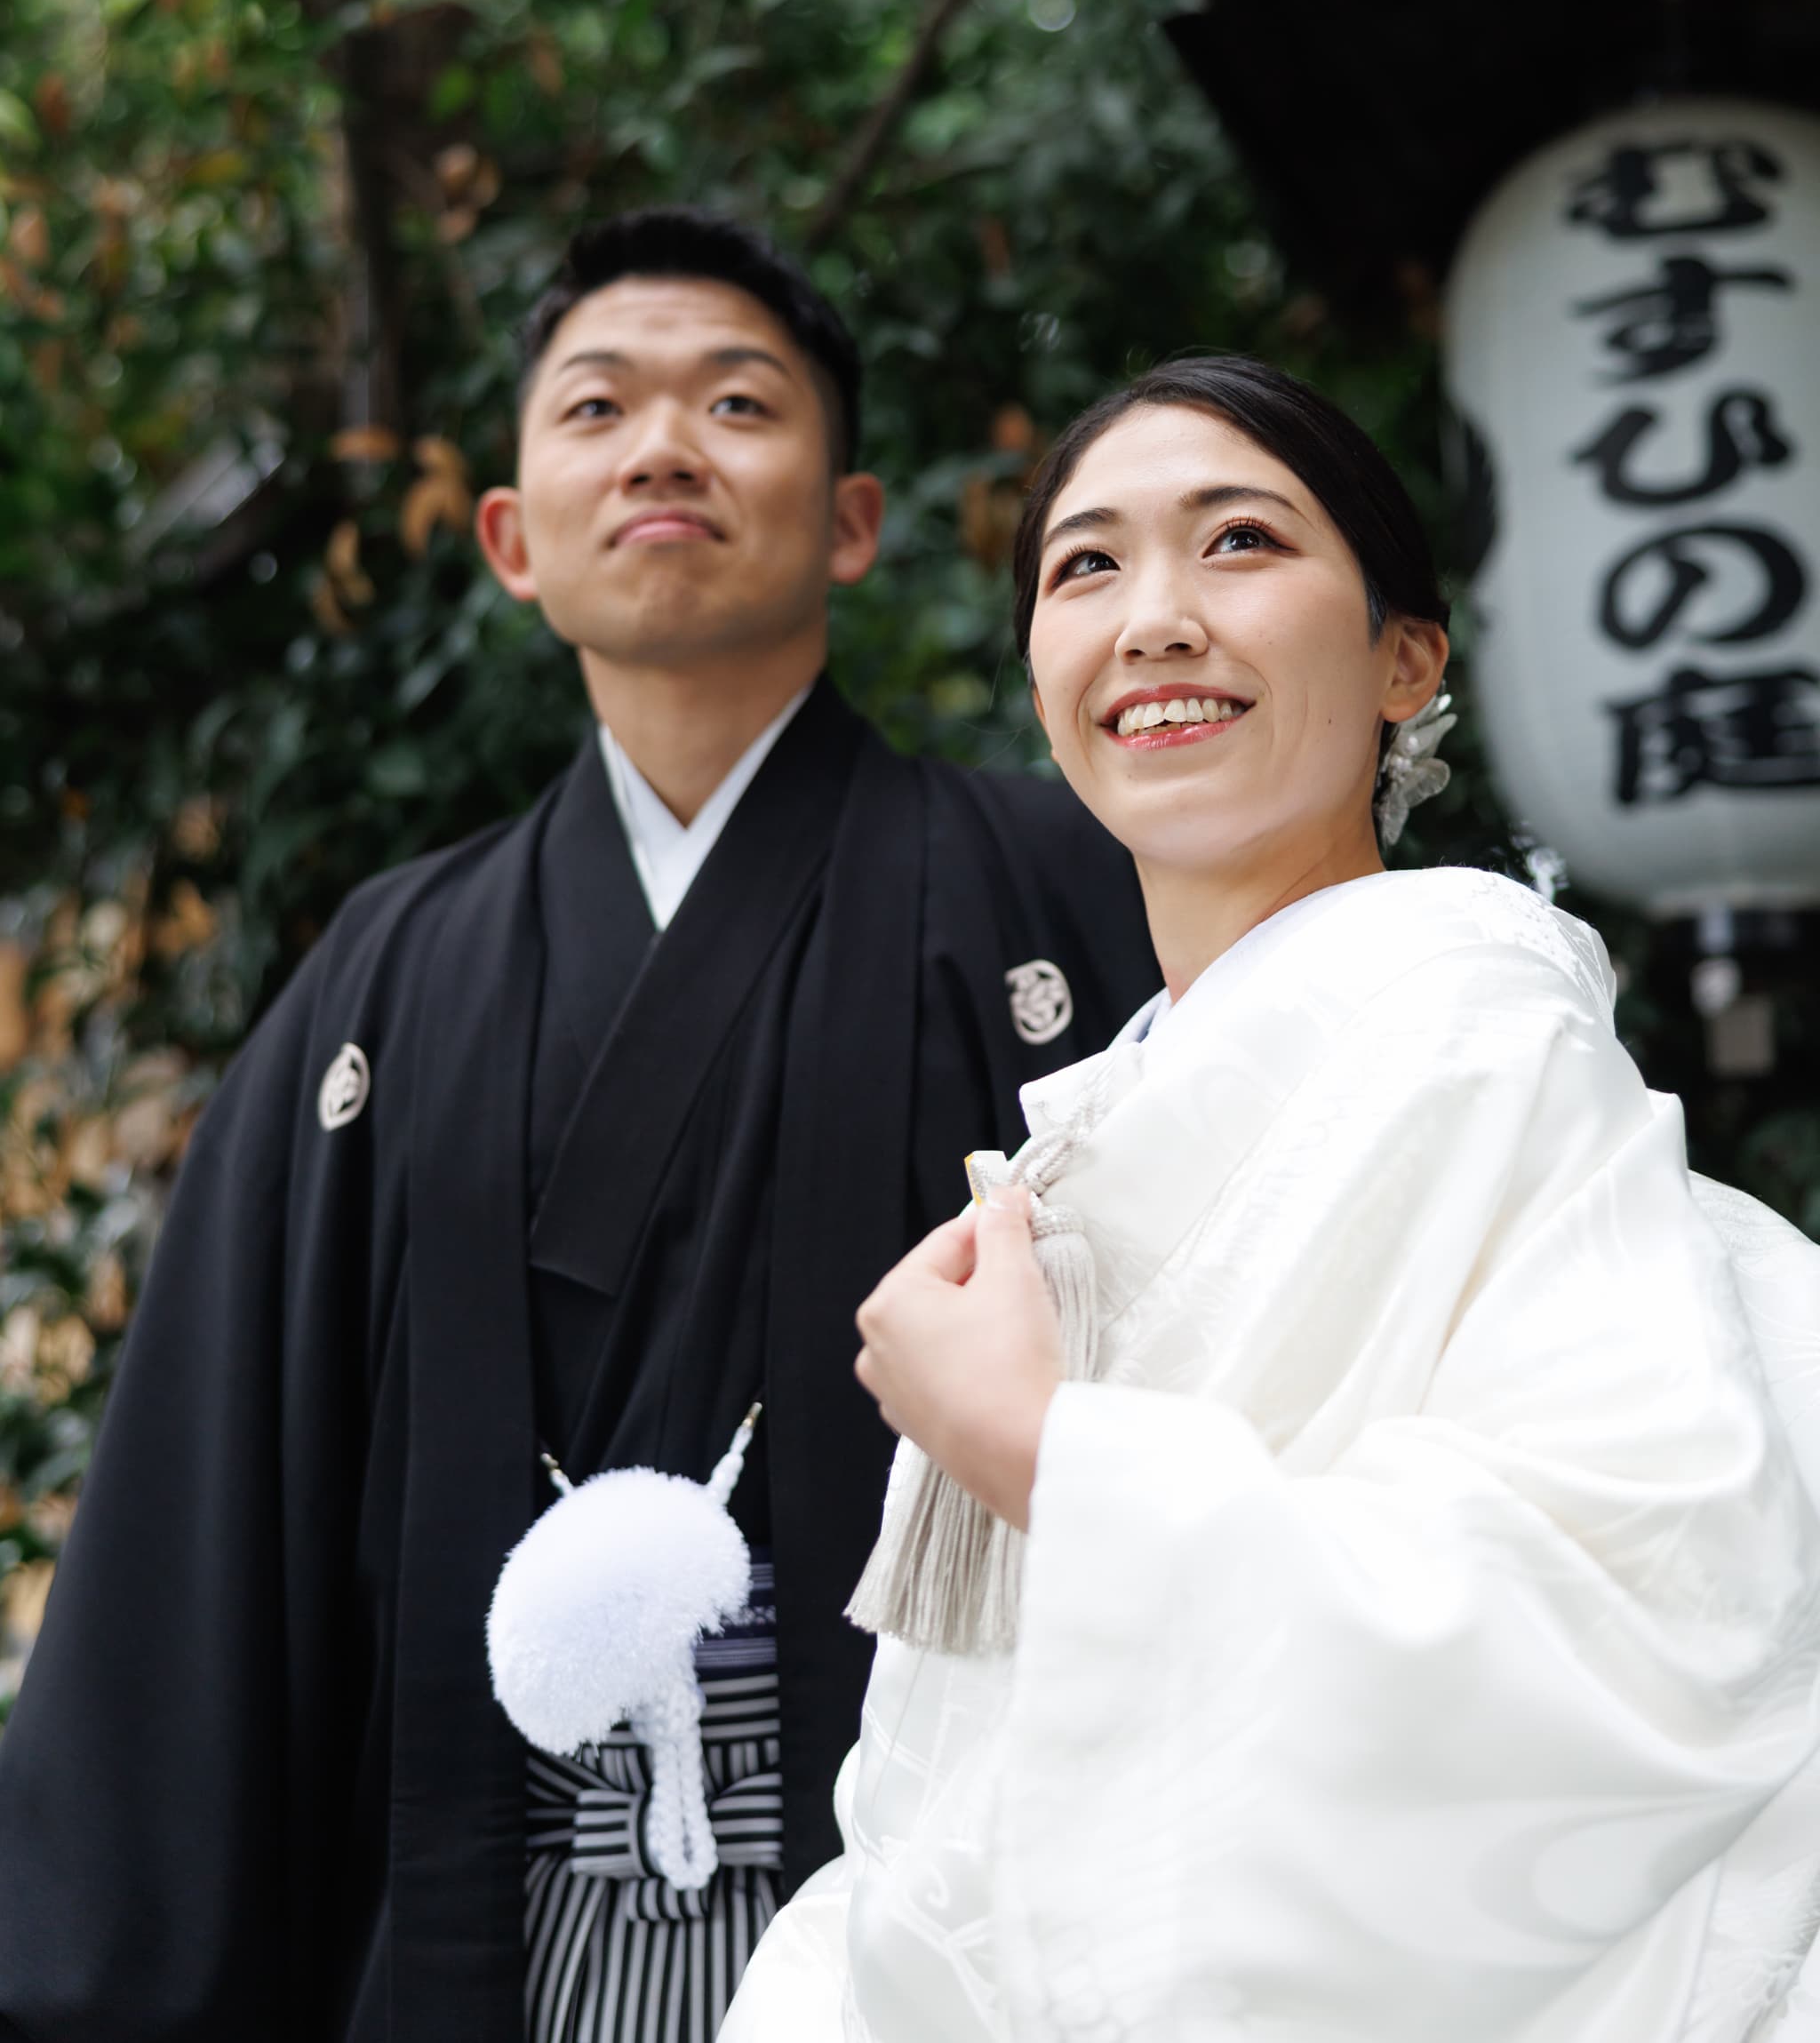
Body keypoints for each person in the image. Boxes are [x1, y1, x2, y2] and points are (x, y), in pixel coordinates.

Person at [0, 211, 1159, 2043]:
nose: (664, 446)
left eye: (739, 403)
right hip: (485, 1936)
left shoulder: (1055, 892)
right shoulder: (388, 973)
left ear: (851, 519)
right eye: (599, 406)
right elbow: (214, 1514)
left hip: (946, 1924)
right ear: (512, 539)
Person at [725, 355, 1820, 2043]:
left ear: (1406, 659)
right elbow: (957, 1806)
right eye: (1087, 565)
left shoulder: (1481, 1038)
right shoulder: (1090, 1138)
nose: (1155, 619)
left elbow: (1645, 1611)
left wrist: (1047, 1452)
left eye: (1240, 540)